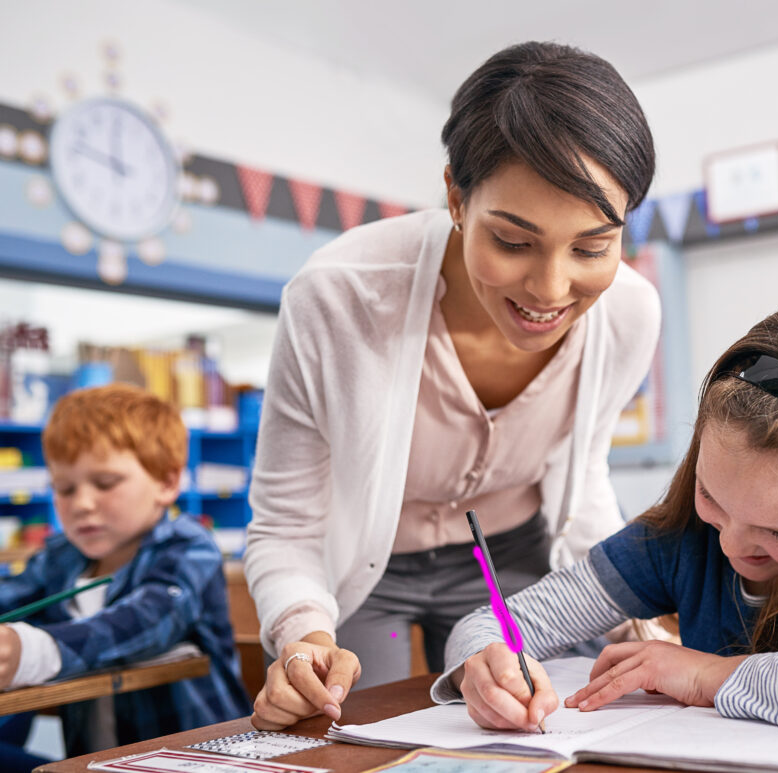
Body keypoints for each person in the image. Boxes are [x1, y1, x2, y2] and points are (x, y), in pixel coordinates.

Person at [245, 40, 661, 730]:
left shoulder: (629, 312)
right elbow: (287, 522)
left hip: (512, 562)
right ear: (457, 197)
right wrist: (304, 637)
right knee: (351, 726)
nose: (551, 289)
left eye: (591, 248)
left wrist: (626, 606)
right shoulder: (336, 297)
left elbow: (583, 474)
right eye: (514, 241)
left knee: (538, 723)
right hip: (366, 569)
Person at [434, 302, 778, 741]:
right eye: (712, 497)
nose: (734, 545)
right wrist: (485, 665)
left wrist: (704, 676)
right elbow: (489, 625)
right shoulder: (677, 541)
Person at [0, 384, 250, 763]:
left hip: (199, 762)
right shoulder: (60, 557)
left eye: (105, 483)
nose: (82, 504)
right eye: (63, 488)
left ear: (166, 483)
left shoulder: (187, 546)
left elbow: (145, 620)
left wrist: (31, 650)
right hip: (93, 764)